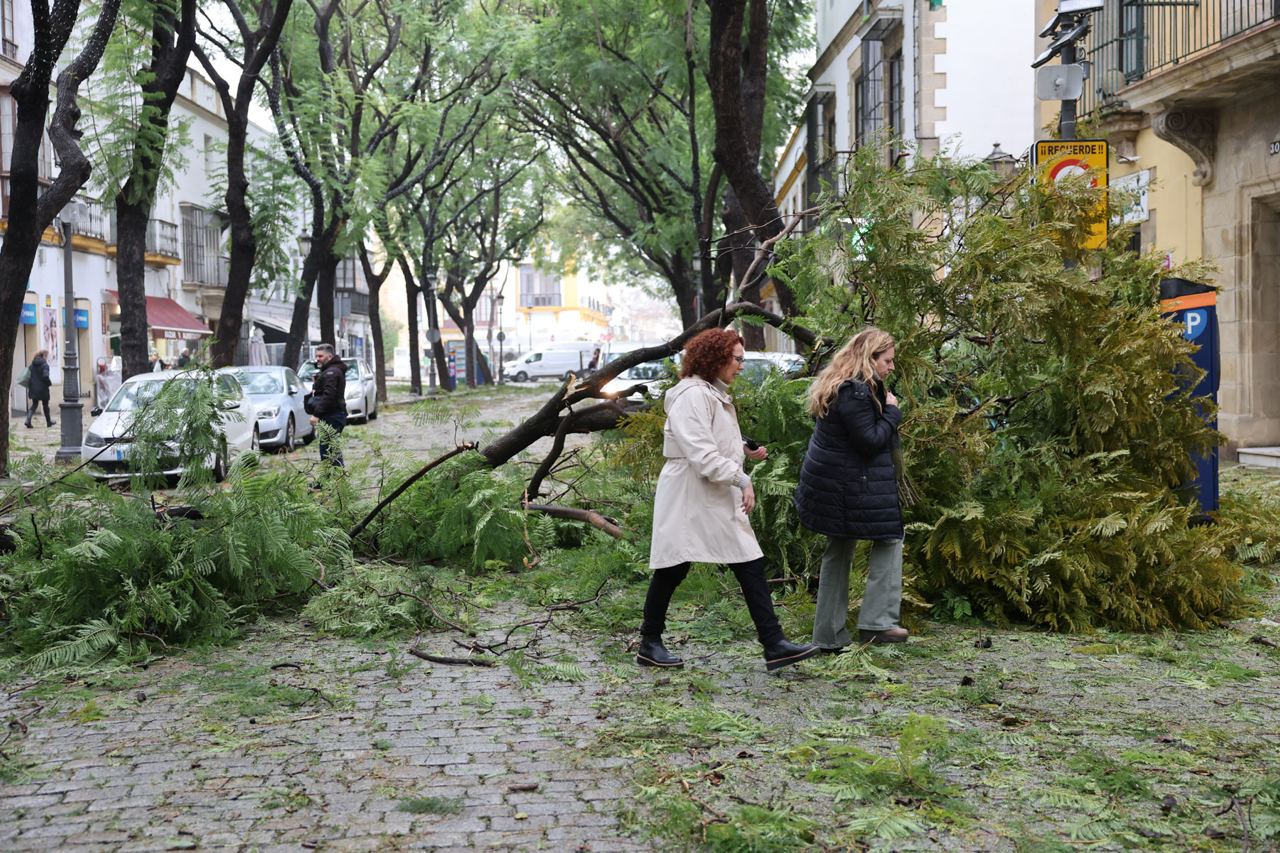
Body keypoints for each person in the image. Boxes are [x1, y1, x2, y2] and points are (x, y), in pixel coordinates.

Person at [639, 328, 819, 671]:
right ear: (716, 358)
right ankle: (650, 641)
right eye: (737, 359)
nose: (740, 366)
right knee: (673, 567)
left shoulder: (710, 393)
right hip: (690, 493)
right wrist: (741, 477)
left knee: (747, 562)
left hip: (710, 492)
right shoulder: (692, 395)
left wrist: (741, 448)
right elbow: (700, 453)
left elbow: (711, 440)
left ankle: (774, 644)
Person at [794, 327, 907, 649]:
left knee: (839, 549)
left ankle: (828, 636)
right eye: (887, 360)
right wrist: (892, 411)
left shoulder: (841, 386)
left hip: (832, 485)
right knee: (889, 538)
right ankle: (877, 623)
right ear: (870, 359)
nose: (891, 367)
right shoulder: (856, 392)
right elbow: (870, 442)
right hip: (846, 486)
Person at [307, 343, 347, 472]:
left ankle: (332, 480)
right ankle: (334, 479)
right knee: (330, 449)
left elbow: (329, 395)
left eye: (320, 356)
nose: (317, 358)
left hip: (332, 416)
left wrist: (316, 414)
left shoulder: (332, 372)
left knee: (328, 449)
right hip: (332, 415)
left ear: (329, 356)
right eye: (316, 356)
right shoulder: (330, 371)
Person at [24, 350, 54, 428]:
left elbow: (28, 375)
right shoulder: (45, 365)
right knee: (45, 405)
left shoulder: (32, 364)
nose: (47, 358)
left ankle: (28, 420)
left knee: (34, 404)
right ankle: (48, 422)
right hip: (43, 388)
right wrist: (49, 383)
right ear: (44, 356)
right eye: (47, 356)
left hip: (34, 388)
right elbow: (45, 376)